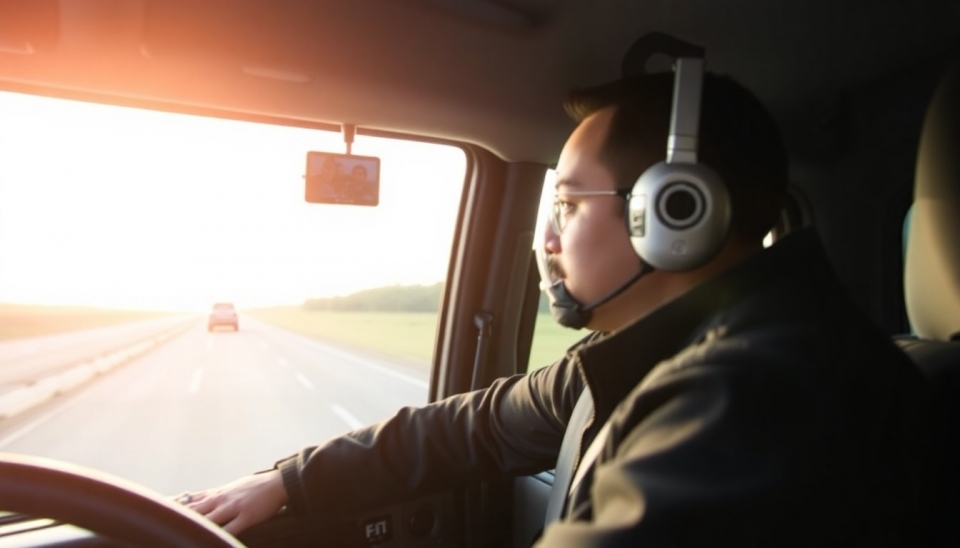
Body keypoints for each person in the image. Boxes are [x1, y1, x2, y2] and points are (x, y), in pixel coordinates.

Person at [181, 69, 932, 545]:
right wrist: (289, 482)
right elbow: (467, 427)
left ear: (675, 214)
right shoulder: (647, 358)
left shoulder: (755, 400)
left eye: (568, 204)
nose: (544, 238)